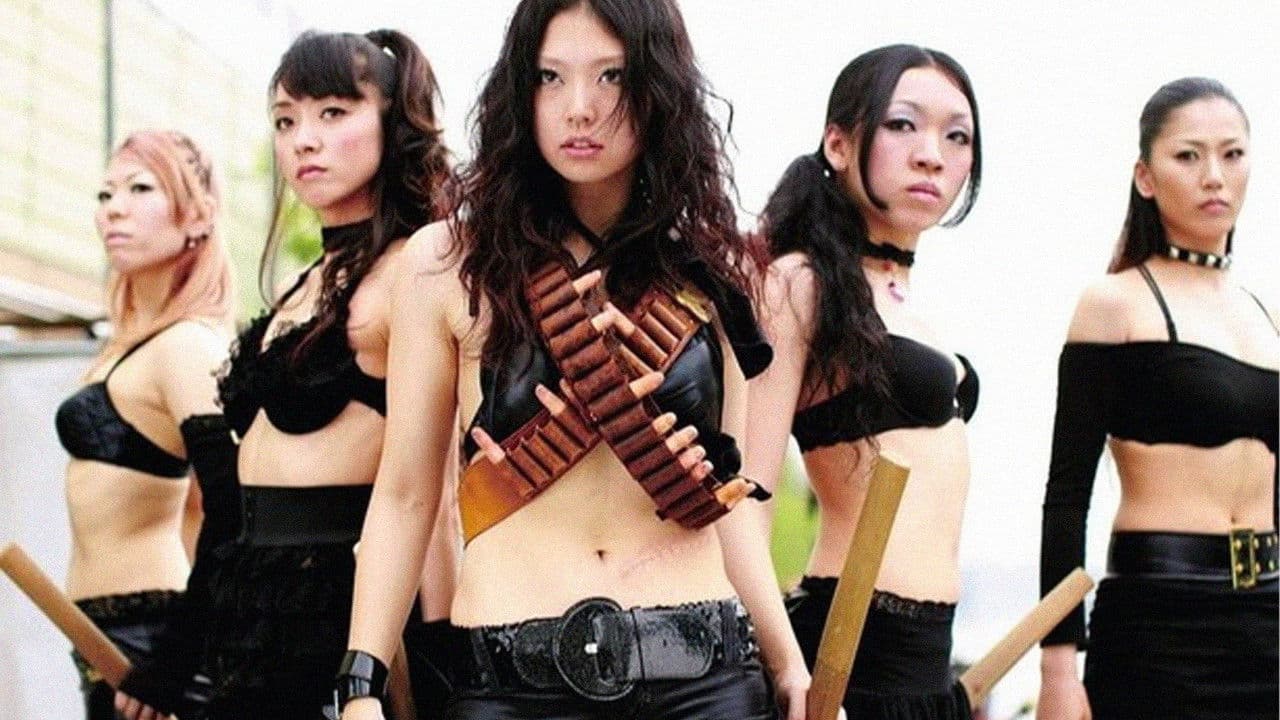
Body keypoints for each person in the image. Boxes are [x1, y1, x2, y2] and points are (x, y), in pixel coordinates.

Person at [336, 2, 812, 718]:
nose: (579, 107)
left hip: (702, 677)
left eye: (611, 76)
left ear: (658, 89)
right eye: (549, 77)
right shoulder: (447, 262)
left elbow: (726, 505)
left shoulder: (710, 270)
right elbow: (406, 492)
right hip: (512, 683)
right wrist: (360, 682)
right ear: (518, 93)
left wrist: (788, 664)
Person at [192, 29, 453, 719]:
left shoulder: (411, 271)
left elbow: (435, 490)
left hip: (338, 611)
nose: (303, 140)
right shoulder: (311, 278)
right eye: (286, 120)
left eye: (333, 112)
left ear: (393, 123)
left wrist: (437, 671)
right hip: (250, 608)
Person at [744, 44, 982, 718]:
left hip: (928, 662)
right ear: (839, 145)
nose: (932, 154)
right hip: (846, 657)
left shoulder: (914, 306)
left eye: (956, 136)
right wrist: (786, 666)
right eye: (903, 125)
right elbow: (745, 501)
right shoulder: (798, 284)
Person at [1037, 77, 1277, 720]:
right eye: (1188, 156)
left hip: (1268, 623)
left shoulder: (1266, 316)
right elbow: (1067, 497)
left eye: (1232, 154)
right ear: (1145, 177)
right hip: (1160, 625)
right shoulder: (1114, 303)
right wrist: (1059, 670)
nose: (1214, 176)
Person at [56, 128, 237, 720]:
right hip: (105, 636)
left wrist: (173, 660)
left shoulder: (188, 346)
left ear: (197, 216)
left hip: (152, 639)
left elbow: (233, 510)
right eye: (105, 194)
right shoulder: (131, 342)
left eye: (140, 188)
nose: (115, 209)